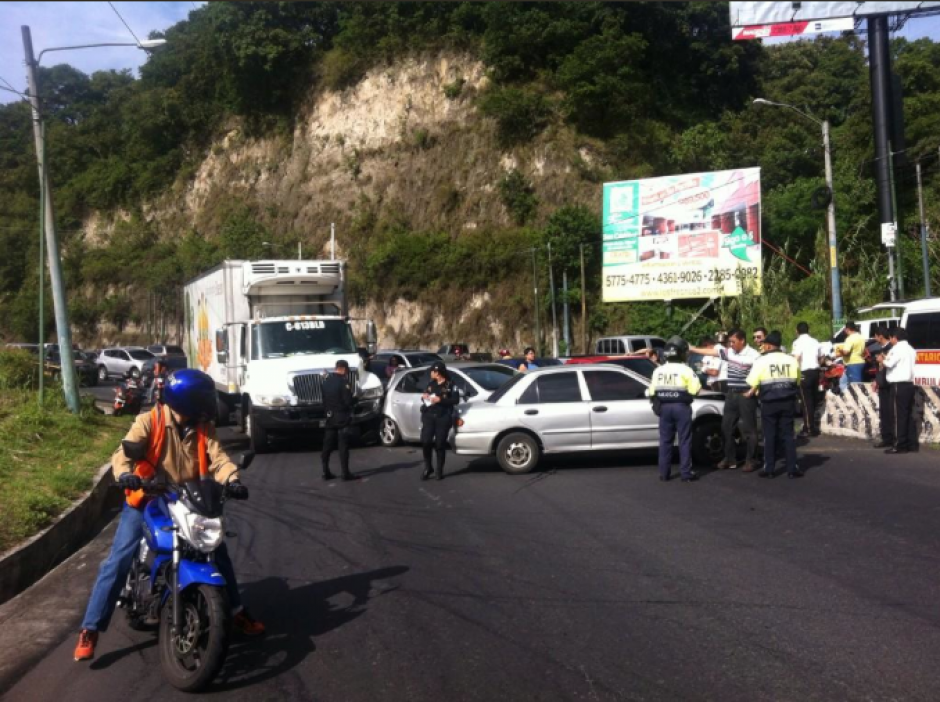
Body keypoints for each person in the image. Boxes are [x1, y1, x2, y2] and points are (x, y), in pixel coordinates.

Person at [74, 369, 263, 662]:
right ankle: (91, 628)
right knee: (119, 559)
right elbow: (122, 455)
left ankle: (235, 611)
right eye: (204, 399)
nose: (209, 404)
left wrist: (232, 480)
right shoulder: (150, 421)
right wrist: (125, 475)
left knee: (217, 549)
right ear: (187, 401)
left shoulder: (202, 425)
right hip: (147, 498)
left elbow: (219, 457)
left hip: (187, 498)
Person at [689, 329, 761, 471]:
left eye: (733, 342)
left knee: (749, 429)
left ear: (742, 341)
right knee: (726, 427)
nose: (731, 344)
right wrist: (692, 349)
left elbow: (760, 374)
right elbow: (712, 352)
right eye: (730, 342)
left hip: (746, 395)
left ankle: (751, 460)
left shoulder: (754, 355)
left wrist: (753, 390)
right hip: (731, 394)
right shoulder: (729, 352)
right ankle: (730, 458)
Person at [746, 331, 803, 479]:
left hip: (769, 403)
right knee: (788, 435)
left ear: (770, 345)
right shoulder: (791, 360)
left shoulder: (761, 361)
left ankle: (769, 469)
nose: (762, 346)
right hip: (788, 402)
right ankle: (792, 469)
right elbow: (797, 382)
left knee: (769, 435)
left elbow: (752, 382)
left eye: (764, 344)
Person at [647, 336, 701, 483]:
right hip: (681, 408)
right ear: (682, 353)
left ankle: (664, 474)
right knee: (684, 440)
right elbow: (695, 389)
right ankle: (686, 473)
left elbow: (652, 392)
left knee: (665, 441)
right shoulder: (686, 370)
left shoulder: (658, 370)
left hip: (664, 408)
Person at [420, 361, 459, 480]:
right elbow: (426, 396)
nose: (431, 373)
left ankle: (439, 470)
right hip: (429, 415)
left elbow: (455, 400)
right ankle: (428, 467)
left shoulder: (451, 385)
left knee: (440, 444)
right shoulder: (431, 383)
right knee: (426, 441)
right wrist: (424, 397)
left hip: (443, 417)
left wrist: (440, 400)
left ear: (439, 373)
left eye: (434, 371)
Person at [883, 327, 918, 454]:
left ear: (894, 338)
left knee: (897, 416)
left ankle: (899, 445)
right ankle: (911, 443)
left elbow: (888, 363)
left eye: (891, 338)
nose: (890, 340)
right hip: (909, 384)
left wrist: (883, 359)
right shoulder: (911, 349)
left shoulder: (896, 349)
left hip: (898, 385)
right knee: (907, 414)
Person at [322, 359, 356, 481]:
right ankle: (345, 473)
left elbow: (324, 401)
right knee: (343, 446)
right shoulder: (344, 382)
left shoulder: (326, 382)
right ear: (344, 369)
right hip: (342, 417)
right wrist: (354, 400)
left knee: (327, 445)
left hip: (329, 417)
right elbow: (348, 401)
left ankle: (325, 471)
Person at [791, 321, 823, 437]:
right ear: (808, 330)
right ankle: (811, 425)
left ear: (797, 331)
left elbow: (797, 358)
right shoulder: (815, 341)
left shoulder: (797, 342)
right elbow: (821, 357)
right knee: (813, 399)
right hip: (815, 372)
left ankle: (809, 428)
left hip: (804, 373)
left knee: (805, 402)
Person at [871, 326, 895, 449]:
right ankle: (886, 436)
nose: (875, 338)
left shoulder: (890, 349)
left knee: (889, 412)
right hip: (882, 384)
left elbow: (886, 365)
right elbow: (879, 369)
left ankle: (890, 437)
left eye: (875, 336)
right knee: (884, 412)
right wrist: (876, 381)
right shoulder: (881, 349)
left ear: (880, 336)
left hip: (889, 384)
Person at [835, 321, 866, 388]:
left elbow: (846, 352)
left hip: (853, 363)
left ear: (847, 329)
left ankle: (857, 397)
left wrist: (840, 350)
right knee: (843, 382)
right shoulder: (860, 337)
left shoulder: (850, 339)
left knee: (855, 385)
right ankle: (846, 396)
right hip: (860, 361)